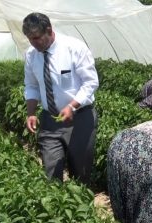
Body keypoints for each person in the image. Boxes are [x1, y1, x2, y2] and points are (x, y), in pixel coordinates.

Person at [23, 12, 99, 184]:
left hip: (80, 119)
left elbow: (91, 82)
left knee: (80, 173)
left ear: (49, 30)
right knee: (51, 172)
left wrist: (72, 106)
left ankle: (82, 206)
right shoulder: (31, 55)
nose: (33, 43)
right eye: (29, 39)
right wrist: (31, 113)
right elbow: (31, 85)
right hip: (50, 120)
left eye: (36, 38)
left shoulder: (74, 48)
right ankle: (55, 208)